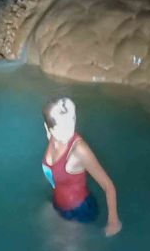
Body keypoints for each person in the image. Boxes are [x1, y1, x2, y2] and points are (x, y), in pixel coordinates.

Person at [41, 97, 122, 237]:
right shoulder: (53, 137)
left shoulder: (79, 150)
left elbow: (108, 185)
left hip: (79, 211)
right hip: (58, 202)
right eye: (63, 125)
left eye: (72, 119)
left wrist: (113, 221)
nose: (70, 129)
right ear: (49, 128)